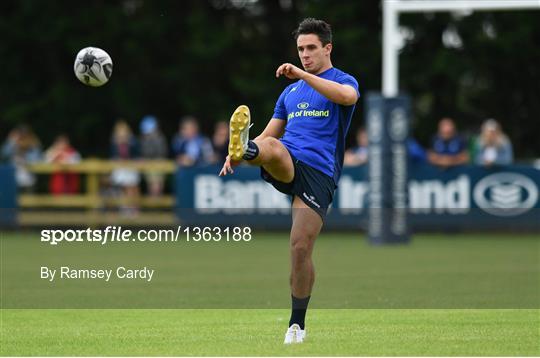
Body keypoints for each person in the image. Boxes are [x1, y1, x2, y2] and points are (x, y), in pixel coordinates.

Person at [219, 18, 359, 344]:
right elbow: (271, 134)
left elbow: (347, 97)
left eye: (311, 48)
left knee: (299, 248)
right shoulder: (290, 92)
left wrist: (304, 76)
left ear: (328, 48)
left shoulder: (342, 80)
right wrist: (238, 154)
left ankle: (298, 324)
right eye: (300, 49)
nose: (305, 55)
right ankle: (244, 145)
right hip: (287, 158)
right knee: (271, 147)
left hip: (320, 172)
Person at [110, 120, 140, 215]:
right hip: (119, 169)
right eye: (120, 132)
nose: (122, 134)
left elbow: (137, 156)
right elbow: (112, 157)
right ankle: (124, 209)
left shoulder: (133, 142)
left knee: (131, 185)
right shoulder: (114, 143)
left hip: (130, 168)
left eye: (123, 131)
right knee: (120, 187)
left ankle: (132, 209)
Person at [1, 125, 42, 192]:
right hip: (13, 180)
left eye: (24, 134)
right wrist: (12, 142)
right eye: (20, 134)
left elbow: (38, 159)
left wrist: (28, 149)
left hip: (29, 180)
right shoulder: (12, 145)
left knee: (30, 201)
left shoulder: (33, 146)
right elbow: (4, 154)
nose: (22, 136)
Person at [139, 115, 167, 196]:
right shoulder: (144, 139)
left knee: (157, 187)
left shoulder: (160, 138)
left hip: (158, 164)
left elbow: (161, 152)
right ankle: (153, 206)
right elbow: (143, 152)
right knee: (151, 187)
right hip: (149, 165)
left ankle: (157, 206)